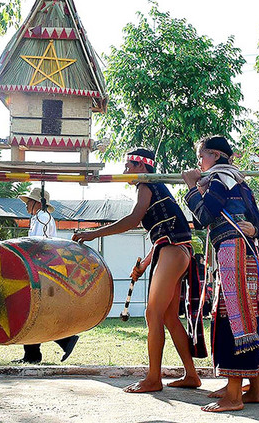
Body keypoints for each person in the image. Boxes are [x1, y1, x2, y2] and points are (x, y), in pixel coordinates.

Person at [73, 148, 202, 393]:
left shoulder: (145, 185)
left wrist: (92, 234)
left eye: (127, 166)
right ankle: (191, 374)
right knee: (168, 317)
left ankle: (153, 378)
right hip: (175, 251)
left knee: (152, 314)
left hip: (173, 250)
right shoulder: (156, 187)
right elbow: (163, 236)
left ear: (141, 167)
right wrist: (143, 266)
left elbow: (132, 220)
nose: (124, 172)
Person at [183, 136, 259, 413]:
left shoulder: (219, 180)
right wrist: (254, 231)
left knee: (234, 317)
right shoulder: (241, 182)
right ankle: (256, 388)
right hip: (248, 253)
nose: (199, 163)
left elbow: (205, 217)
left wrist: (190, 189)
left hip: (233, 253)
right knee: (249, 315)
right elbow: (256, 220)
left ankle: (234, 395)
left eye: (202, 156)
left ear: (215, 155)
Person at [13, 187, 79, 364]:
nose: (26, 205)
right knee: (35, 312)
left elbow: (36, 244)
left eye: (29, 202)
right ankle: (37, 352)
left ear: (37, 203)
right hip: (39, 267)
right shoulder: (38, 218)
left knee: (34, 311)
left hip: (39, 268)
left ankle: (62, 341)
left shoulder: (42, 218)